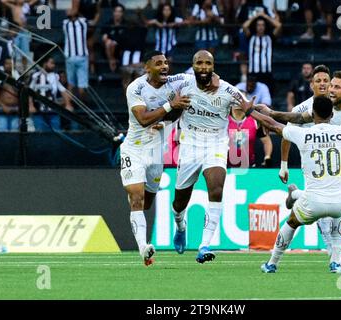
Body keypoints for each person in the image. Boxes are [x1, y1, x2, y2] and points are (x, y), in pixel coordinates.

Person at [239, 83, 341, 273]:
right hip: (340, 202)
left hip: (313, 202)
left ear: (312, 115)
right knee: (338, 222)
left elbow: (273, 125)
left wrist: (250, 112)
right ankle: (336, 263)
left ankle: (272, 263)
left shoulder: (303, 134)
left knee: (292, 222)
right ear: (332, 115)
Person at [122, 50, 220, 265]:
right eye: (159, 63)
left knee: (146, 203)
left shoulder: (176, 81)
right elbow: (142, 119)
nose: (165, 66)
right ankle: (143, 249)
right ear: (147, 68)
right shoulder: (136, 88)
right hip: (133, 150)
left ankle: (180, 226)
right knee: (136, 198)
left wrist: (215, 78)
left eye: (166, 62)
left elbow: (203, 74)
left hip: (157, 153)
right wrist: (169, 105)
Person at [271, 70, 341, 264]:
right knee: (323, 202)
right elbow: (288, 129)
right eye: (321, 82)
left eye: (331, 83)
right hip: (320, 161)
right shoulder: (314, 107)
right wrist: (283, 164)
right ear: (311, 84)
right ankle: (334, 255)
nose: (327, 87)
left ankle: (295, 195)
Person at [171, 50, 250, 263]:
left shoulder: (227, 90)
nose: (204, 67)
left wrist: (261, 116)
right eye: (199, 63)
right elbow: (159, 82)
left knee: (216, 189)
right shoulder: (182, 83)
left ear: (213, 66)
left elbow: (246, 107)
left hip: (216, 144)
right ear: (193, 65)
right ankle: (180, 225)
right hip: (189, 146)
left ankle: (204, 245)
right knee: (179, 202)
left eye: (208, 63)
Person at [279, 64, 331, 184]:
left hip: (337, 166)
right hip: (311, 167)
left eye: (325, 81)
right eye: (318, 81)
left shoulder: (339, 106)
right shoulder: (299, 109)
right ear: (312, 85)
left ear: (330, 84)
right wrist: (283, 165)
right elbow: (286, 136)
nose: (322, 84)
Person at [242, 12, 282, 97]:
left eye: (262, 25)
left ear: (265, 26)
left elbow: (279, 26)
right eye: (258, 25)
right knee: (251, 97)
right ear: (255, 26)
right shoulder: (251, 36)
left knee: (267, 98)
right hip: (253, 73)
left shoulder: (270, 37)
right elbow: (245, 26)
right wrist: (256, 16)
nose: (260, 27)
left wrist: (265, 16)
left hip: (267, 73)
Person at [28, 57, 73, 131]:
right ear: (45, 63)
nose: (53, 65)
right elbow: (29, 91)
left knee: (56, 134)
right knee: (40, 135)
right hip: (39, 112)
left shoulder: (55, 76)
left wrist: (68, 104)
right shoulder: (35, 76)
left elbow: (63, 90)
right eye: (51, 63)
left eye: (54, 63)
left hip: (53, 111)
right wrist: (31, 106)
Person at [63, 9, 89, 98]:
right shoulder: (83, 22)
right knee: (79, 84)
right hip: (79, 56)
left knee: (72, 84)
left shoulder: (65, 23)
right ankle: (79, 105)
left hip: (72, 56)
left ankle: (71, 104)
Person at [0, 57, 20, 132]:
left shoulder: (18, 78)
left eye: (11, 63)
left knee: (15, 133)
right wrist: (3, 106)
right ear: (3, 65)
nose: (9, 65)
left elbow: (22, 94)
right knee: (2, 132)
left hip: (16, 109)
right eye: (7, 63)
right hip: (2, 109)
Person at [101, 4, 129, 72]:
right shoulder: (108, 23)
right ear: (113, 13)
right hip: (109, 48)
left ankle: (111, 60)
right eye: (116, 11)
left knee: (112, 43)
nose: (118, 13)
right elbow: (103, 37)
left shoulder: (126, 24)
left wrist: (116, 42)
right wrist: (108, 39)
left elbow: (127, 39)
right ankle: (111, 60)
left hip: (121, 48)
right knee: (108, 43)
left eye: (120, 12)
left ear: (122, 13)